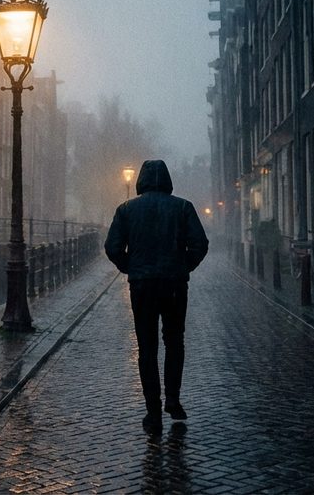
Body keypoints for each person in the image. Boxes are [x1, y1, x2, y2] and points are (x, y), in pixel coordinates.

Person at [104, 159, 208, 433]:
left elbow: (112, 247)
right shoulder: (183, 207)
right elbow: (200, 244)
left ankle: (153, 412)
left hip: (142, 287)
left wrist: (132, 267)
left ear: (141, 180)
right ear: (168, 179)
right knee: (175, 341)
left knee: (147, 348)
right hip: (174, 285)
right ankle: (173, 399)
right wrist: (183, 266)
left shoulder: (126, 209)